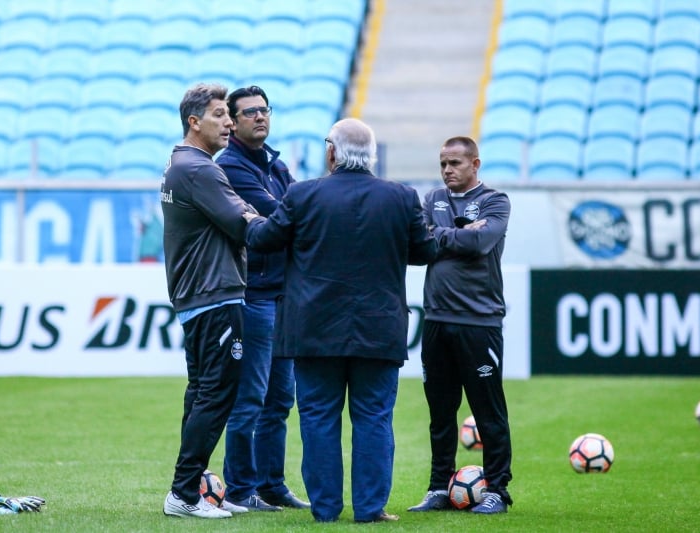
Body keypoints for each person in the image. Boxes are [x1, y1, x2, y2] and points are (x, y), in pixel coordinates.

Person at [243, 118, 437, 523]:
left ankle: (326, 510)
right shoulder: (401, 197)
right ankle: (369, 509)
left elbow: (263, 240)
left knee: (317, 418)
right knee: (373, 418)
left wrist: (249, 217)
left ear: (331, 152)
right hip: (379, 328)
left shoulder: (302, 195)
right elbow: (424, 251)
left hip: (313, 329)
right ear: (372, 156)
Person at [160, 83, 255, 519]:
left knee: (201, 393)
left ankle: (189, 488)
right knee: (215, 394)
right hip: (214, 293)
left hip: (198, 294)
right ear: (194, 122)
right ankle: (183, 492)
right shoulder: (199, 169)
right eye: (220, 114)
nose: (230, 122)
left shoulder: (181, 165)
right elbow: (242, 223)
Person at [214, 85, 309, 512]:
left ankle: (272, 484)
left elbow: (293, 210)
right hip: (253, 295)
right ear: (233, 121)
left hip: (282, 295)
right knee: (250, 398)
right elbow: (281, 215)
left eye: (264, 110)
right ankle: (239, 489)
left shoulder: (275, 163)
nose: (260, 117)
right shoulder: (231, 166)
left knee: (279, 400)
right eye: (250, 112)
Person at [408, 136, 513, 515]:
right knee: (440, 412)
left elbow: (480, 242)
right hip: (436, 319)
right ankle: (439, 487)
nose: (447, 170)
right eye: (443, 164)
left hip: (478, 321)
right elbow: (420, 245)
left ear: (475, 164)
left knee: (488, 411)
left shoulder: (495, 201)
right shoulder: (432, 197)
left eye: (455, 163)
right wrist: (458, 234)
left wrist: (444, 235)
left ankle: (497, 490)